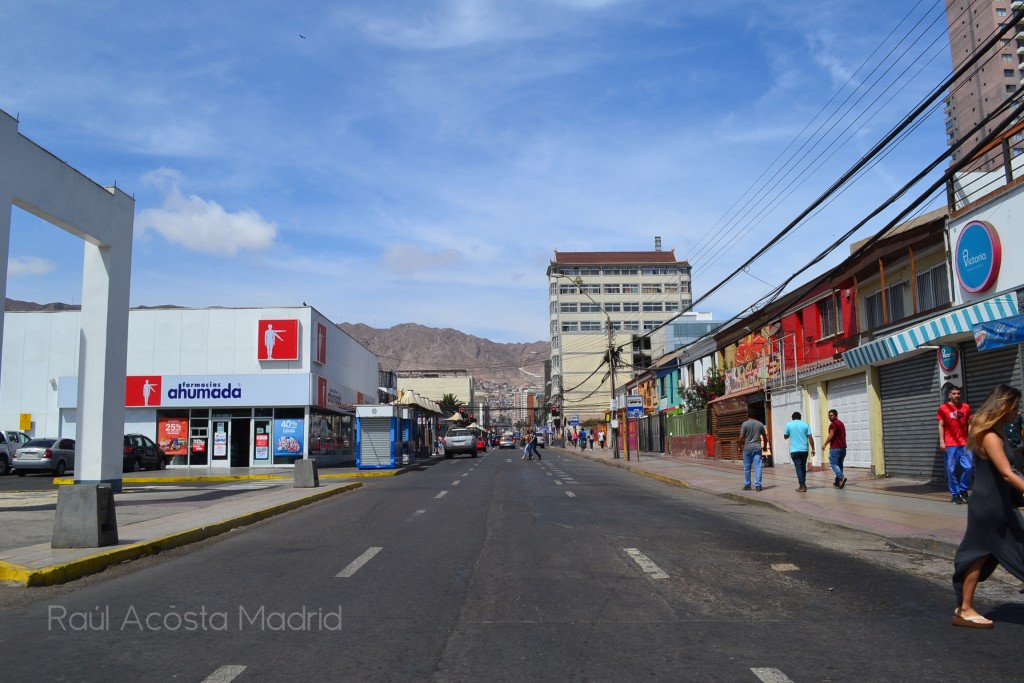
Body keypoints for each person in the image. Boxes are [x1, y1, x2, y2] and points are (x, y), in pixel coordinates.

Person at [951, 384, 1024, 629]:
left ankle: (964, 607)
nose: (1018, 412)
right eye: (1015, 407)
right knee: (979, 555)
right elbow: (1005, 473)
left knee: (984, 554)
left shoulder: (999, 432)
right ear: (1003, 407)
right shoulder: (990, 436)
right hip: (989, 506)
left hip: (1000, 503)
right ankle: (965, 609)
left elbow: (1007, 460)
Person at [938, 386, 973, 504]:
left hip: (964, 443)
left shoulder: (966, 407)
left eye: (958, 393)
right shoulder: (943, 408)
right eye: (954, 393)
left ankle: (963, 490)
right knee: (951, 470)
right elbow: (941, 425)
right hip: (950, 444)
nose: (956, 395)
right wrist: (942, 442)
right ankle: (955, 494)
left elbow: (969, 424)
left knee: (969, 467)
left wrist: (971, 438)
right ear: (949, 395)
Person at [783, 411, 815, 492]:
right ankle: (803, 483)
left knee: (798, 467)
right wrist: (813, 448)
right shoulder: (805, 424)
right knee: (803, 467)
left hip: (794, 450)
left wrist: (791, 433)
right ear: (800, 418)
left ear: (792, 418)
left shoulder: (789, 424)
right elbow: (810, 437)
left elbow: (785, 436)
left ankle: (802, 485)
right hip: (804, 450)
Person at [739, 408, 767, 492]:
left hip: (747, 448)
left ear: (748, 415)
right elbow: (765, 437)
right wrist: (765, 446)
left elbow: (741, 437)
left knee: (747, 467)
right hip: (757, 448)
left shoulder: (745, 424)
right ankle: (758, 485)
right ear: (755, 416)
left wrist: (740, 447)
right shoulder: (760, 424)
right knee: (758, 467)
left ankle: (747, 485)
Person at [821, 409, 848, 489]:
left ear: (836, 415)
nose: (830, 417)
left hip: (835, 448)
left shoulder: (833, 424)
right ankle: (837, 481)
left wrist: (825, 444)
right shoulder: (841, 423)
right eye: (829, 415)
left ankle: (841, 477)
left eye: (831, 415)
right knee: (840, 465)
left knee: (834, 464)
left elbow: (831, 435)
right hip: (843, 448)